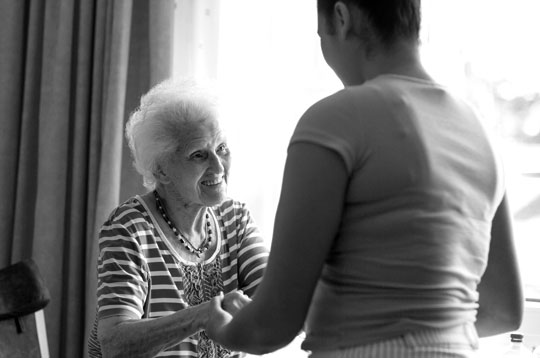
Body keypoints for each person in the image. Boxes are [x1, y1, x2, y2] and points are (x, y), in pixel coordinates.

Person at [205, 0, 524, 357]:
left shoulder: (335, 119)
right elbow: (504, 311)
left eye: (320, 36)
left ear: (341, 18)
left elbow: (271, 326)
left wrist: (220, 327)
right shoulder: (479, 131)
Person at [87, 79, 269, 358]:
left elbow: (278, 303)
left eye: (221, 148)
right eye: (199, 155)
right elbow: (115, 343)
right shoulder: (129, 229)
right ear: (161, 171)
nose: (218, 166)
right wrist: (201, 316)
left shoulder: (236, 219)